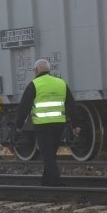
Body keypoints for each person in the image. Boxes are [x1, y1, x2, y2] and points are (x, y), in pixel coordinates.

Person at [15, 58, 76, 187]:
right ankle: (46, 181)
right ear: (49, 70)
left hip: (43, 125)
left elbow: (24, 107)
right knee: (51, 153)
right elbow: (71, 105)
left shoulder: (34, 84)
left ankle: (56, 182)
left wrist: (18, 125)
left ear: (36, 70)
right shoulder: (61, 83)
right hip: (59, 124)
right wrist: (76, 124)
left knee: (47, 155)